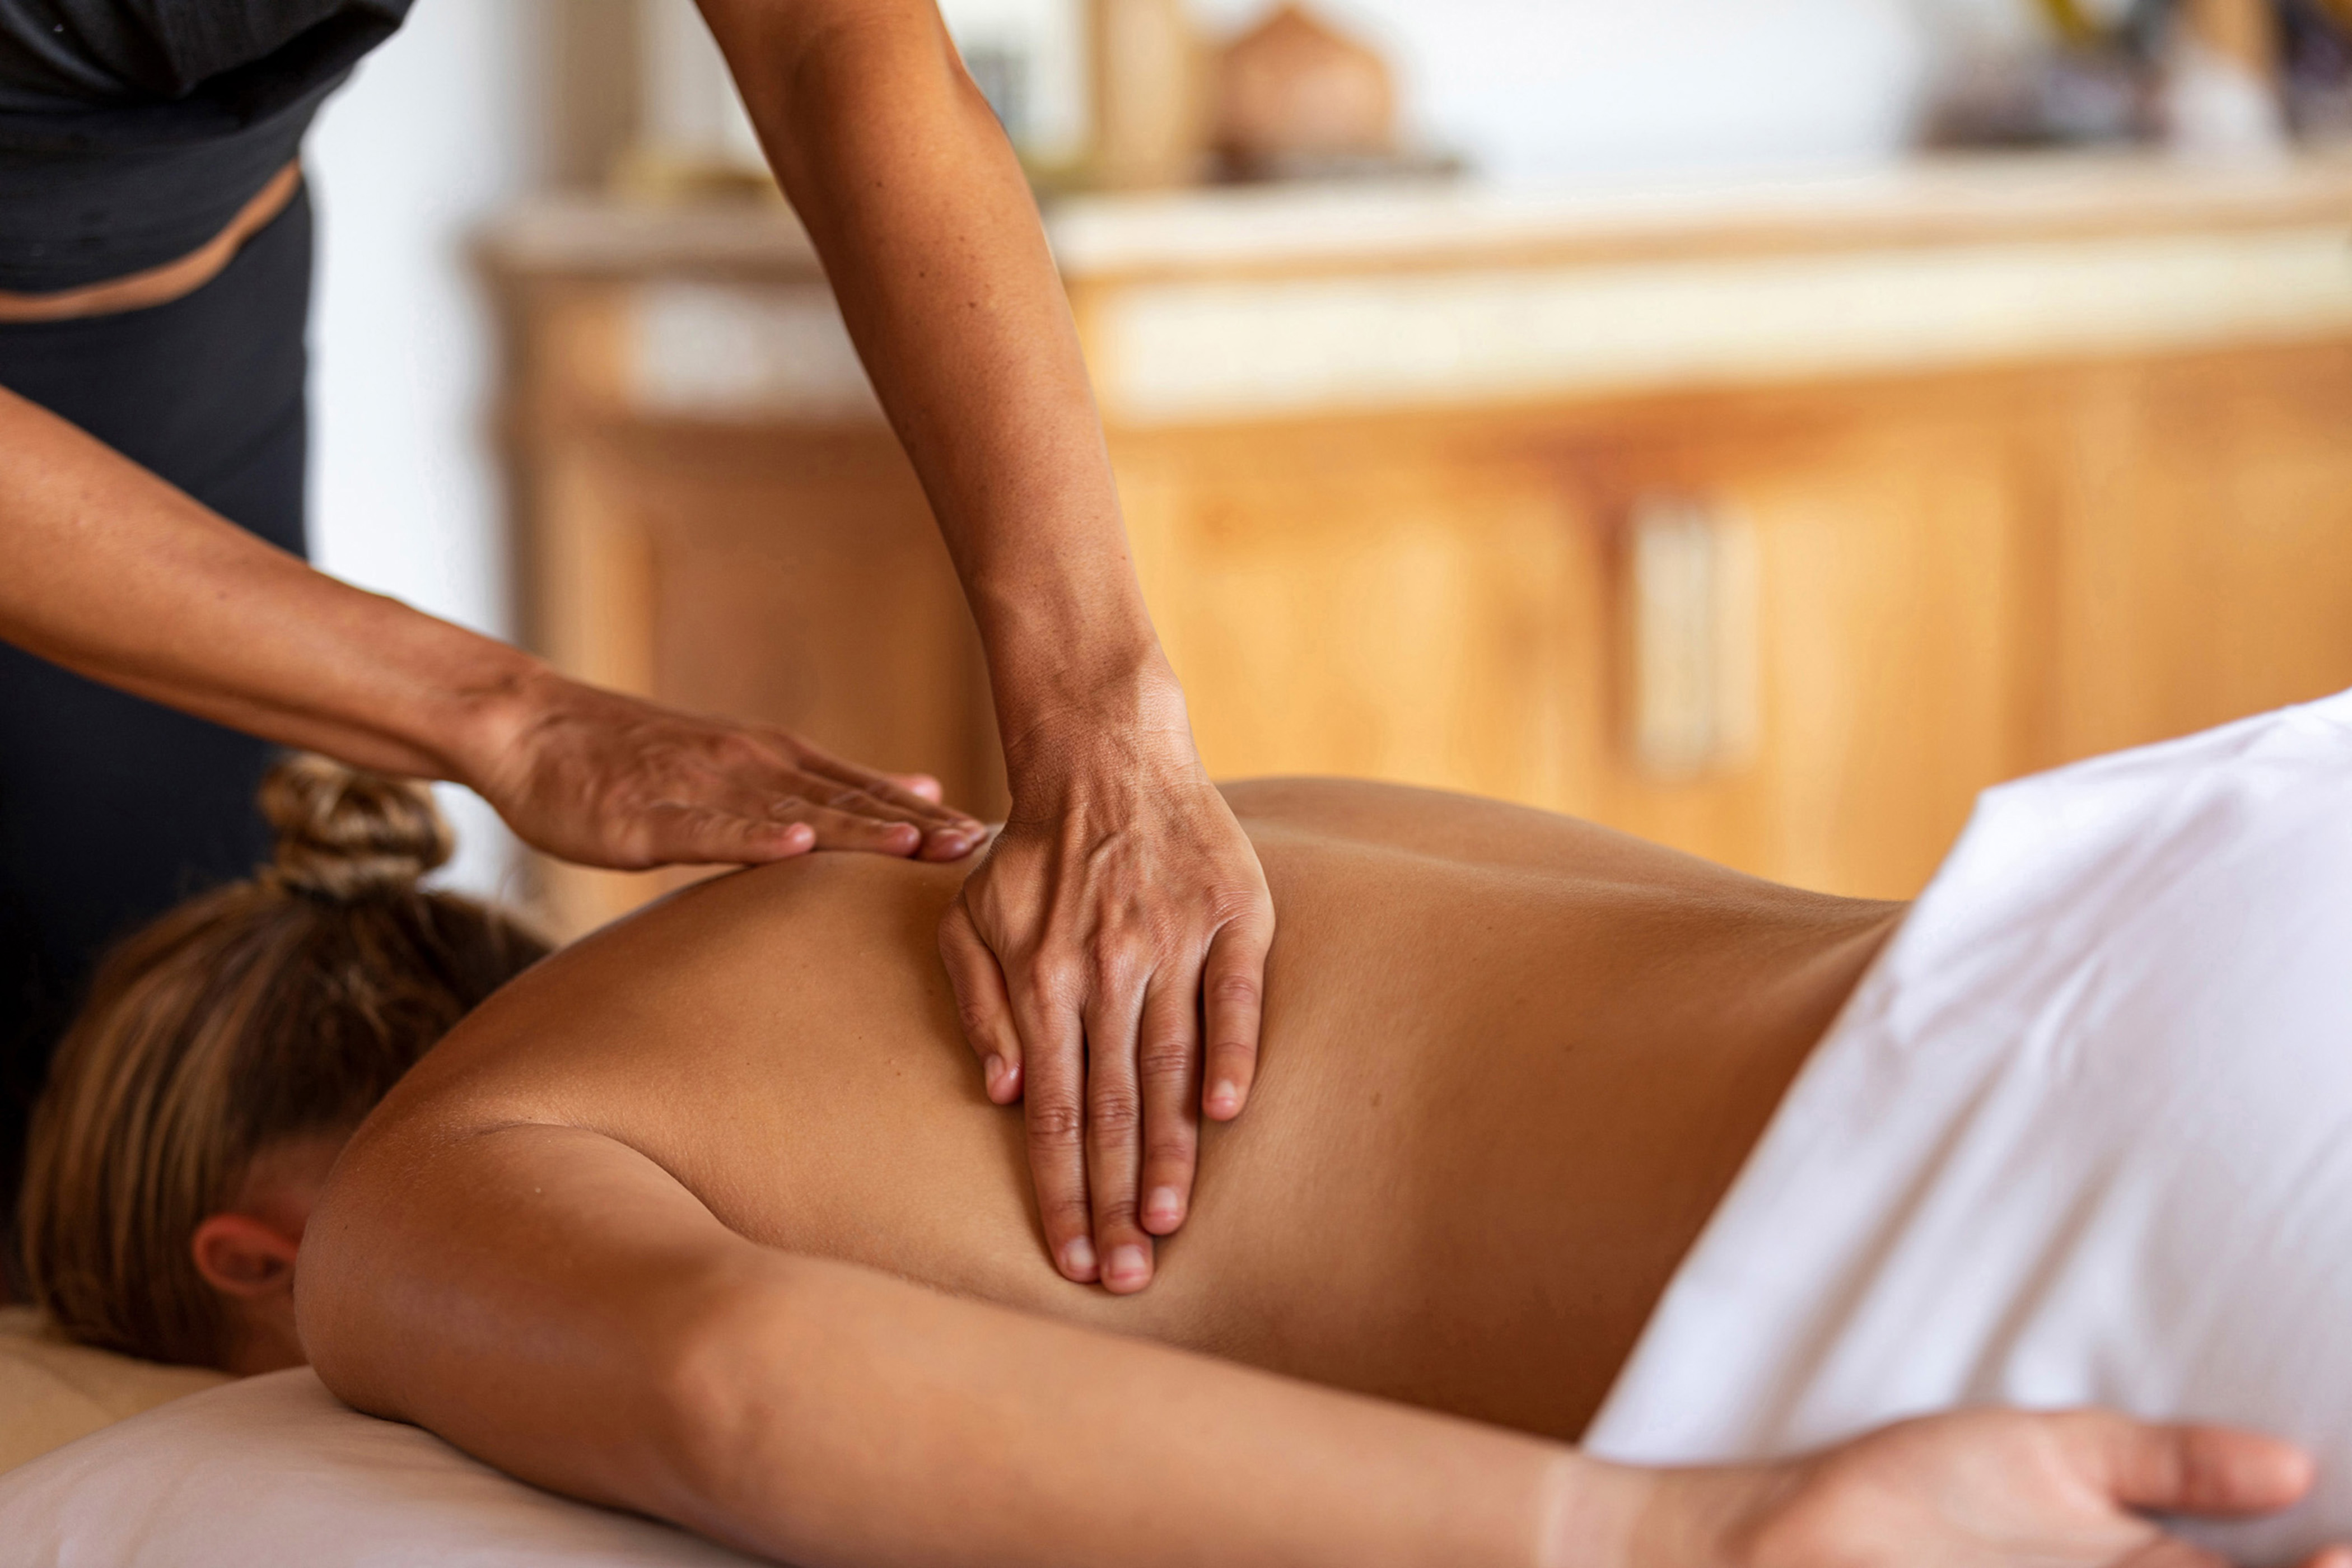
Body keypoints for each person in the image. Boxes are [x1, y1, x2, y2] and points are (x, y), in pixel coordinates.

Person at [24, 694, 2352, 1565]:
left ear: (250, 1260)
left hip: (2057, 1174)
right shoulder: (1068, 863)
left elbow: (735, 1386)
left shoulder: (424, 1203)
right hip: (2206, 873)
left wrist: (1674, 1544)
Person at [0, 0, 1275, 1267]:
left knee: (129, 1112)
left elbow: (826, 39)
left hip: (188, 321)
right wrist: (516, 719)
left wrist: (1102, 719)